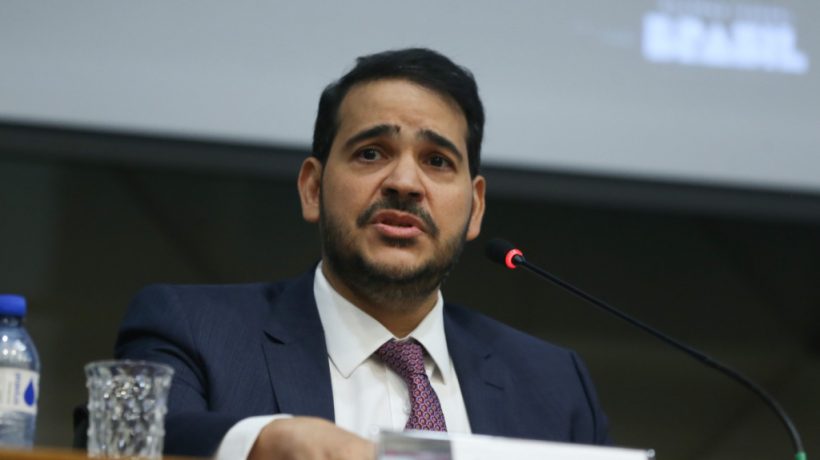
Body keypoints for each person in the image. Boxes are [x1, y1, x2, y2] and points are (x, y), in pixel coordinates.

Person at [114, 48, 610, 459]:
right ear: (313, 188)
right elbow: (120, 439)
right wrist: (263, 443)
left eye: (437, 161)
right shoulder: (192, 328)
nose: (405, 182)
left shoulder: (553, 384)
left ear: (475, 207)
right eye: (371, 152)